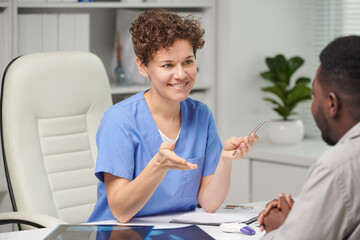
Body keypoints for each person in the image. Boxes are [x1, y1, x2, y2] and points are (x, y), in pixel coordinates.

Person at [88, 9, 258, 223]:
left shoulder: (201, 116)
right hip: (120, 233)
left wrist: (225, 161)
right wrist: (158, 165)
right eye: (167, 65)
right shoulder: (119, 120)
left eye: (188, 61)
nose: (181, 74)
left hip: (176, 230)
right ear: (143, 66)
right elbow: (121, 212)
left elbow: (210, 203)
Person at [258, 35, 360, 239]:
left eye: (314, 95)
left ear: (332, 104)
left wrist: (281, 229)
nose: (313, 104)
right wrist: (304, 217)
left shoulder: (338, 166)